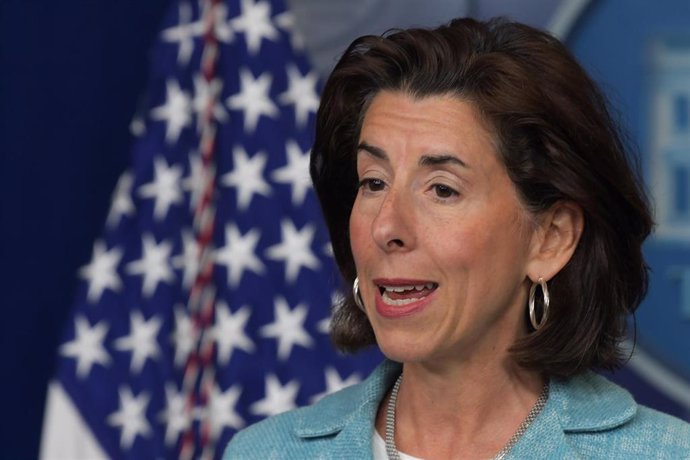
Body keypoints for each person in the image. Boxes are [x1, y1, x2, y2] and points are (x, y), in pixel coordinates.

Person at [224, 17, 690, 459]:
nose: (386, 227)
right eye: (373, 182)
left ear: (550, 239)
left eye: (442, 189)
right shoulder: (265, 452)